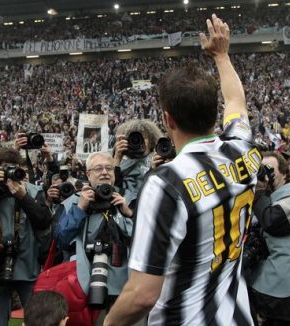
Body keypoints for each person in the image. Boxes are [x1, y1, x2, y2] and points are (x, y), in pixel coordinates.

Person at [105, 14, 259, 325]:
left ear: (168, 119)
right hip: (237, 316)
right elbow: (236, 101)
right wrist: (222, 55)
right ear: (213, 114)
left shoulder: (168, 182)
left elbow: (143, 294)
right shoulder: (242, 148)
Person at [0, 147, 53, 325]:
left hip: (27, 262)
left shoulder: (31, 191)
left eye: (14, 168)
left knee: (38, 317)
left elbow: (44, 221)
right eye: (4, 169)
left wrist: (24, 197)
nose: (9, 174)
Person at [54, 152, 134, 321]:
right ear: (88, 174)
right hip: (86, 284)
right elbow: (60, 240)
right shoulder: (73, 202)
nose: (105, 172)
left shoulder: (127, 199)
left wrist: (130, 214)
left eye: (109, 168)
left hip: (126, 286)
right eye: (98, 168)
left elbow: (147, 241)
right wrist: (80, 208)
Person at [248, 152, 290, 324]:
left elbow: (273, 220)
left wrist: (259, 192)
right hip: (269, 291)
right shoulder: (264, 197)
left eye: (268, 169)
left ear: (283, 173)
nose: (263, 174)